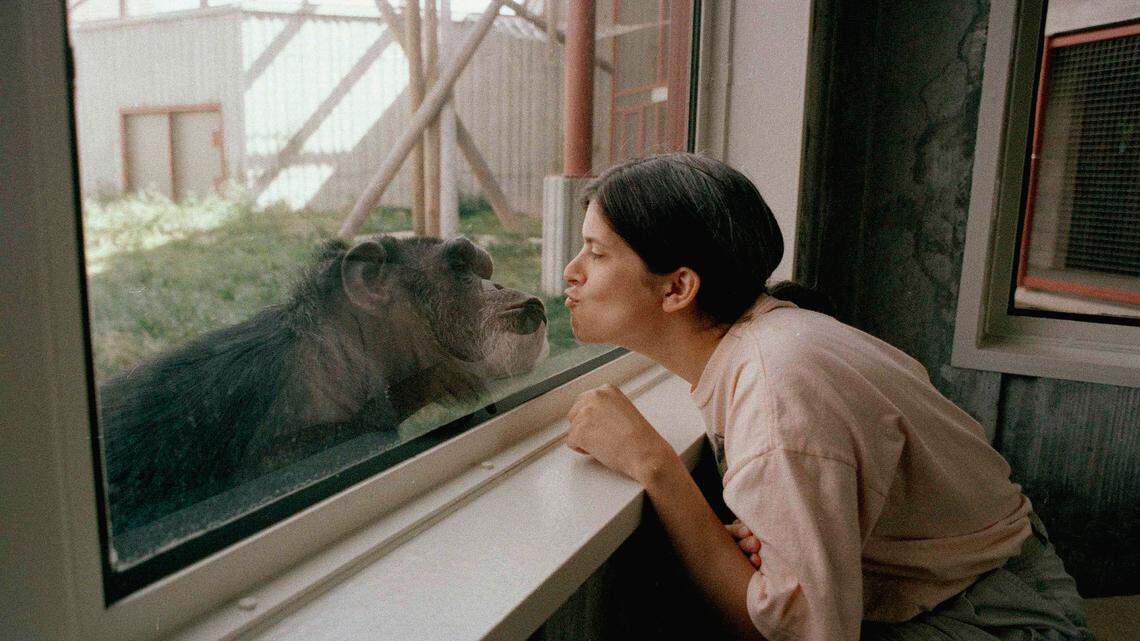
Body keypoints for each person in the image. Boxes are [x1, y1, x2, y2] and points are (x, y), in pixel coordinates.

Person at [560, 153, 1093, 641]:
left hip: (996, 620)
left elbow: (799, 636)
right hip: (964, 589)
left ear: (677, 288)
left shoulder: (777, 389)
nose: (571, 271)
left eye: (596, 252)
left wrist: (654, 465)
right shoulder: (772, 345)